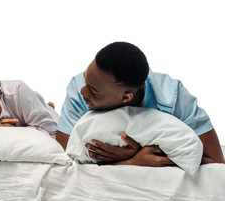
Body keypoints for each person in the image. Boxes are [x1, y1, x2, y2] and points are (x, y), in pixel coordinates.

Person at [56, 42, 224, 166]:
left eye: (93, 91)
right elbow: (64, 159)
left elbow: (216, 162)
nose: (83, 92)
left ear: (125, 98)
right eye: (86, 79)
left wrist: (144, 156)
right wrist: (130, 160)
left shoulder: (173, 97)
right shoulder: (78, 88)